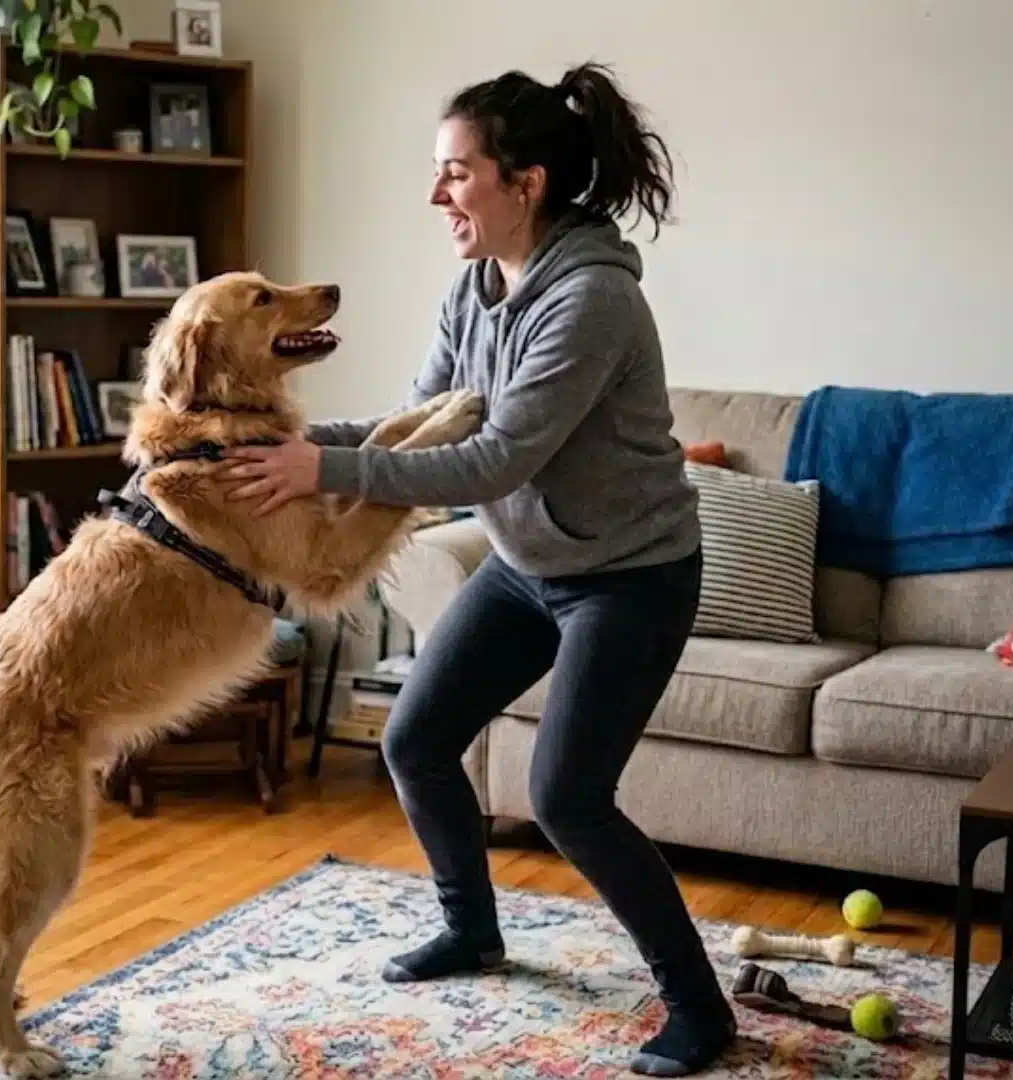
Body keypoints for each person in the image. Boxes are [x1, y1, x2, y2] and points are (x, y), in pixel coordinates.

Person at [220, 62, 733, 1076]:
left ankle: (700, 1008)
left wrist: (319, 465)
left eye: (456, 173)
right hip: (526, 566)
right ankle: (471, 930)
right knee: (414, 739)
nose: (436, 194)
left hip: (629, 578)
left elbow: (495, 457)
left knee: (569, 796)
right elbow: (419, 426)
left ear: (524, 181)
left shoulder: (590, 303)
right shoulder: (475, 288)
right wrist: (268, 437)